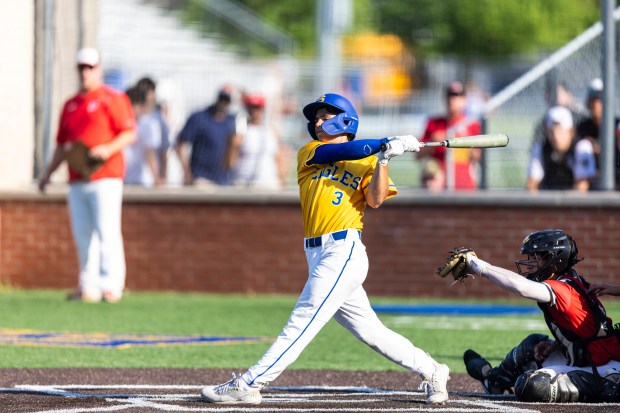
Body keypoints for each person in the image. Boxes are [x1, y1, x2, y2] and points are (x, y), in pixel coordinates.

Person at [200, 93, 450, 405]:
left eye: (324, 115)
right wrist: (386, 142)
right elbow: (347, 149)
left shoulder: (369, 158)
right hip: (317, 253)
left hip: (343, 251)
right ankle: (433, 369)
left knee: (304, 317)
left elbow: (375, 199)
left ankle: (250, 382)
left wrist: (385, 157)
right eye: (315, 117)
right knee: (371, 332)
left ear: (344, 118)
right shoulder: (311, 151)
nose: (317, 122)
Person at [447, 229, 620, 403]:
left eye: (536, 258)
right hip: (590, 359)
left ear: (555, 260)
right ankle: (492, 380)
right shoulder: (569, 280)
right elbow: (587, 333)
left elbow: (521, 287)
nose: (529, 264)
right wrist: (559, 346)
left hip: (604, 370)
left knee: (534, 385)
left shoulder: (564, 290)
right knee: (533, 345)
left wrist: (480, 266)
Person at [38, 47, 136, 303]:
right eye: (81, 67)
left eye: (90, 67)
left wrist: (107, 149)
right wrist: (48, 174)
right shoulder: (70, 105)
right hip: (77, 177)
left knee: (107, 231)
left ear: (98, 69)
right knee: (83, 234)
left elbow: (128, 132)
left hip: (105, 177)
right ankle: (88, 286)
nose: (85, 72)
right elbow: (62, 144)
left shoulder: (112, 99)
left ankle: (112, 284)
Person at [418, 80, 481, 190]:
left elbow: (478, 156)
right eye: (449, 96)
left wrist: (465, 142)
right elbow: (418, 155)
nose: (452, 100)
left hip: (463, 184)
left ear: (464, 100)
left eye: (457, 96)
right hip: (437, 185)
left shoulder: (471, 124)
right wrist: (433, 142)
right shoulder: (434, 124)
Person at [175, 85, 238, 186]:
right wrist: (186, 172)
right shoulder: (200, 118)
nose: (223, 102)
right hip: (201, 177)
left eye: (226, 99)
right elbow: (180, 144)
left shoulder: (231, 121)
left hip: (223, 181)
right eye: (222, 98)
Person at [526, 106, 596, 191]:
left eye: (560, 131)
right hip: (548, 200)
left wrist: (560, 202)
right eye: (551, 131)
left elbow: (581, 187)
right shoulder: (541, 149)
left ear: (571, 131)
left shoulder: (582, 147)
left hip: (574, 203)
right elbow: (531, 185)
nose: (556, 136)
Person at [227, 93, 288, 189]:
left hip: (268, 183)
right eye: (251, 108)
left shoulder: (271, 131)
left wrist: (282, 179)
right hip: (244, 183)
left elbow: (279, 158)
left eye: (257, 108)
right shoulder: (241, 131)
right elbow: (230, 162)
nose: (254, 111)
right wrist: (233, 145)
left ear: (262, 110)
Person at [576, 78, 620, 190]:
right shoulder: (582, 128)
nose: (596, 103)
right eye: (593, 99)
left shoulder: (617, 125)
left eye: (600, 99)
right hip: (589, 179)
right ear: (588, 102)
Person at [123, 86, 162, 187]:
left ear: (141, 106)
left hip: (142, 181)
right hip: (122, 179)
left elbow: (150, 152)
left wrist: (156, 178)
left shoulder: (149, 124)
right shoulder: (121, 123)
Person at [136, 77, 170, 182]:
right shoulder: (131, 116)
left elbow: (163, 149)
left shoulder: (158, 118)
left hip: (148, 179)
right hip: (132, 177)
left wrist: (161, 176)